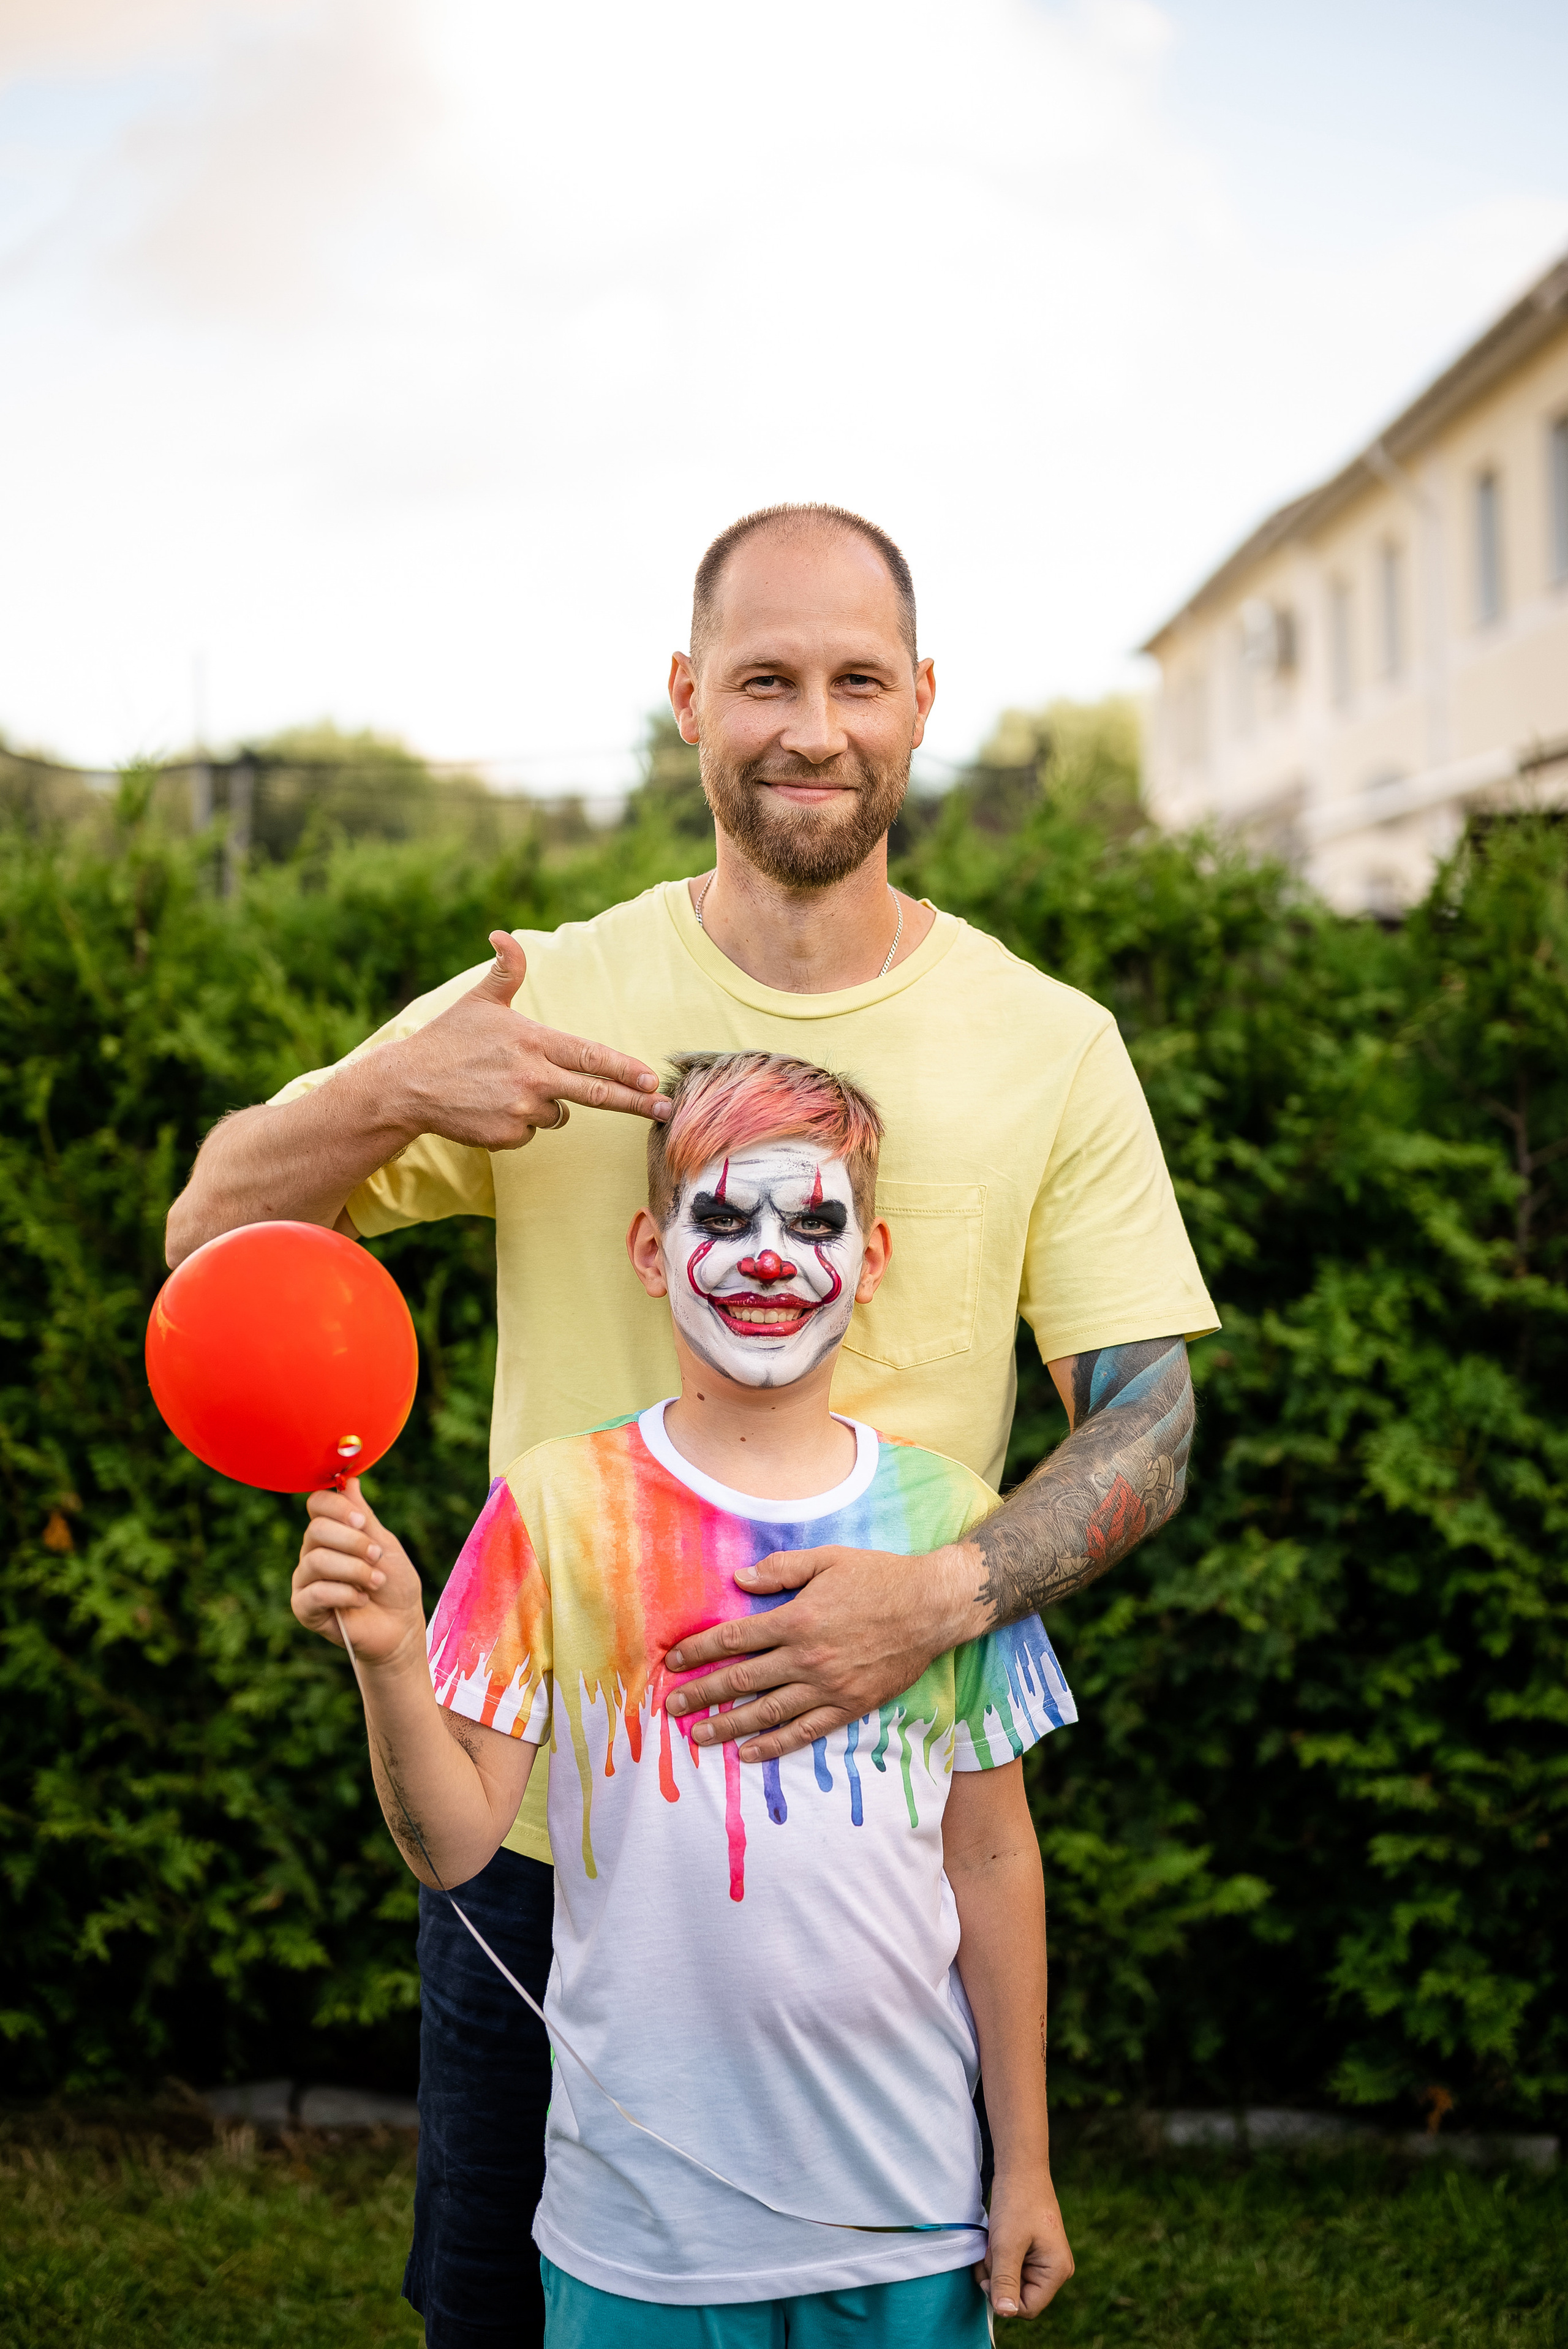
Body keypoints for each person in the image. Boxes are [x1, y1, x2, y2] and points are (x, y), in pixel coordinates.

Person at [166, 501, 1217, 2347]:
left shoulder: (1049, 1041)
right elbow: (213, 1231)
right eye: (763, 679)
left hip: (875, 1864)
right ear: (686, 702)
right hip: (550, 1858)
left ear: (920, 704)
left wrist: (943, 1594)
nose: (812, 724)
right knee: (507, 2317)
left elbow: (1151, 1420)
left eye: (856, 679)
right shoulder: (548, 998)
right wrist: (392, 1085)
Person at [291, 1050, 1078, 2344]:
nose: (769, 1256)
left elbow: (991, 1854)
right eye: (722, 1216)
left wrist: (1025, 2165)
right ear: (651, 1252)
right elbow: (456, 1847)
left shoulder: (947, 1528)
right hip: (637, 2238)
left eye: (812, 1220)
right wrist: (386, 1660)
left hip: (909, 2215)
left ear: (869, 1257)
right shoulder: (552, 1507)